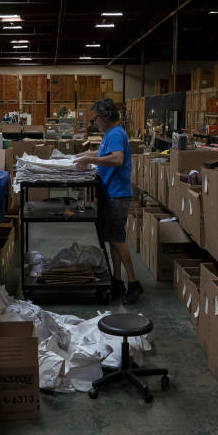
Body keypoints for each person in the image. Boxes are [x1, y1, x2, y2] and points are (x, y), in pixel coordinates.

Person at [73, 98, 142, 304]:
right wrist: (88, 153)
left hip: (117, 194)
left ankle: (133, 283)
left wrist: (89, 160)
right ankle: (118, 280)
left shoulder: (115, 133)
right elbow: (105, 153)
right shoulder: (111, 135)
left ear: (104, 117)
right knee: (113, 239)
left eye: (95, 119)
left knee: (118, 241)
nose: (95, 123)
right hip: (111, 192)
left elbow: (117, 159)